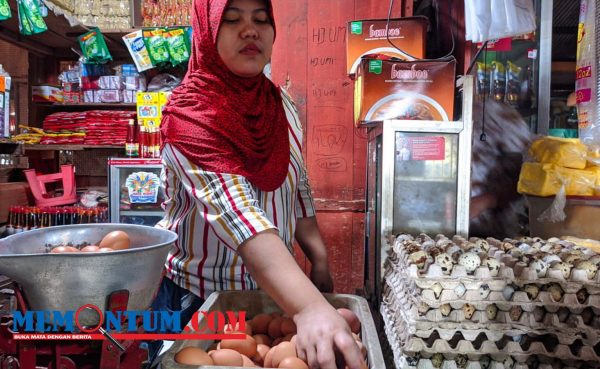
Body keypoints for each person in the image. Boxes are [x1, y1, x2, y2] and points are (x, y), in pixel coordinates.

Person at [152, 0, 364, 368]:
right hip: (197, 301)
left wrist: (319, 259)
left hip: (269, 296)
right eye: (231, 20)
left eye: (261, 20)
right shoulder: (189, 115)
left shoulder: (278, 104)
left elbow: (296, 187)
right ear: (205, 33)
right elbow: (238, 214)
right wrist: (309, 305)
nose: (250, 30)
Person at [469, 99, 534, 238]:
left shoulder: (497, 113)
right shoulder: (432, 107)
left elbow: (529, 174)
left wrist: (486, 200)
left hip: (490, 232)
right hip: (430, 226)